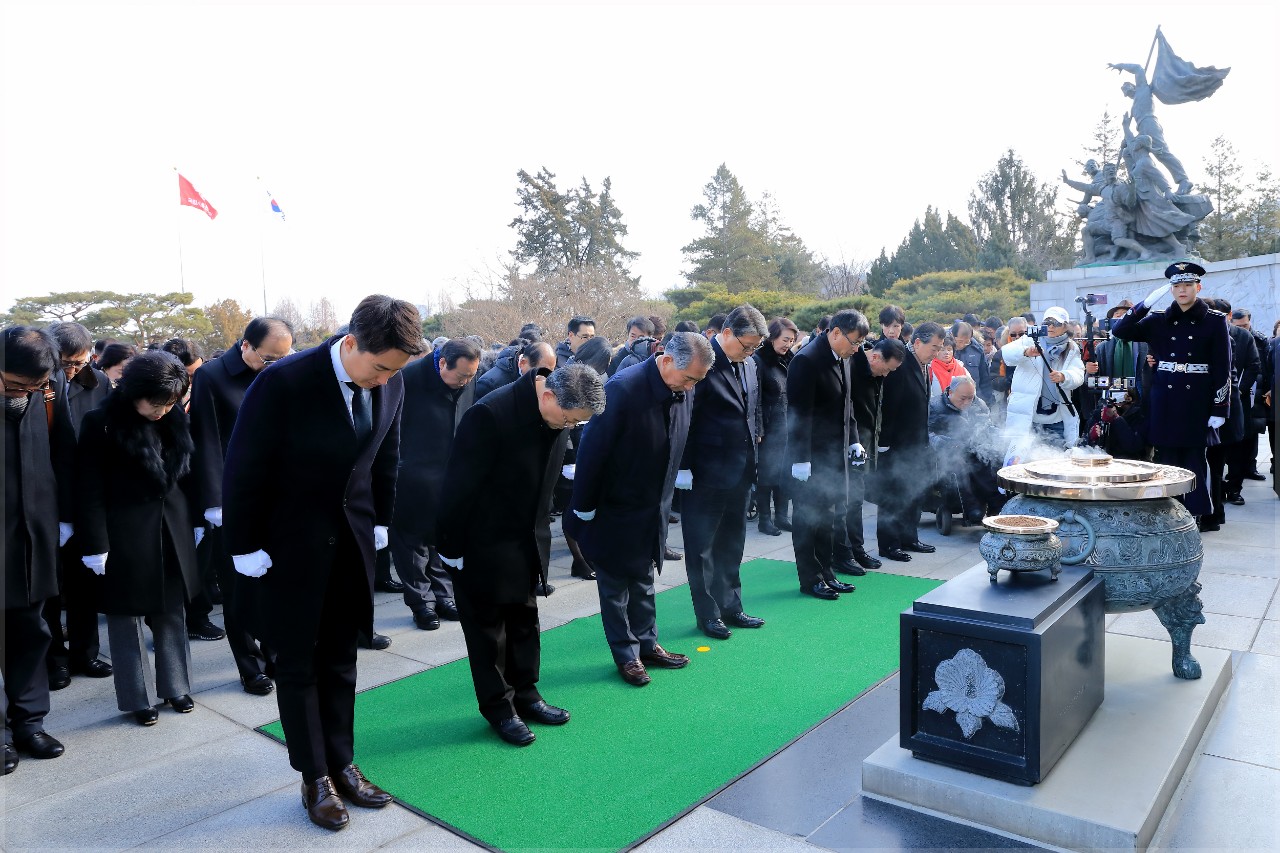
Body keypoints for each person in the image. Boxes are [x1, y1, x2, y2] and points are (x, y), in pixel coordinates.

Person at [222, 295, 424, 831]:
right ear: (351, 343)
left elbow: (388, 453)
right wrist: (244, 545)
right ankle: (314, 777)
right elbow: (244, 465)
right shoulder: (283, 381)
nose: (385, 380)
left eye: (395, 371)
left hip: (352, 539)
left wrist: (382, 517)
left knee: (340, 657)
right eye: (379, 368)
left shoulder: (391, 381)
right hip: (288, 545)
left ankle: (343, 762)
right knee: (297, 662)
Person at [436, 364, 605, 746]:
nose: (570, 428)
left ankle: (527, 694)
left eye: (577, 423)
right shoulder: (490, 414)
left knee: (525, 620)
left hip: (527, 537)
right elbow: (457, 487)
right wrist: (450, 547)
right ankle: (499, 707)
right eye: (570, 420)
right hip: (481, 542)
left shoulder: (556, 415)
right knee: (488, 632)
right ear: (549, 396)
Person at [566, 332, 712, 686]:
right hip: (616, 507)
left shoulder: (683, 388)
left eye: (696, 381)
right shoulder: (623, 389)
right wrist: (583, 507)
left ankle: (647, 644)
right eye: (688, 379)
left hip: (653, 505)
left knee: (644, 578)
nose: (690, 388)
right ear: (666, 360)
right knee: (615, 586)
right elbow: (592, 451)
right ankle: (626, 655)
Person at [76, 351, 202, 727]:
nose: (163, 410)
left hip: (171, 526)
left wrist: (196, 520)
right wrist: (95, 543)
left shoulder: (174, 416)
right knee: (125, 617)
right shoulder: (101, 422)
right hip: (124, 531)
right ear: (134, 392)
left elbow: (187, 476)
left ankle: (176, 686)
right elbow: (88, 486)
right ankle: (137, 697)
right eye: (157, 402)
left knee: (172, 612)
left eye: (171, 402)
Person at [188, 317, 295, 695]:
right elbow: (206, 440)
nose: (273, 365)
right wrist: (215, 502)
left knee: (276, 583)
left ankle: (277, 653)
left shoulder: (280, 372)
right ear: (246, 345)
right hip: (234, 499)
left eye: (282, 358)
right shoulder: (212, 375)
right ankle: (250, 666)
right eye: (267, 358)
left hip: (277, 496)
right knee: (238, 588)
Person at [1110, 263, 1231, 529]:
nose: (1182, 290)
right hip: (1164, 398)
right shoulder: (1158, 319)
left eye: (1187, 285)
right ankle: (1167, 513)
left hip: (1196, 400)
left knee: (1194, 460)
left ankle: (1196, 514)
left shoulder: (1214, 320)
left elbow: (1223, 367)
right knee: (1166, 460)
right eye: (1176, 286)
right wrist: (1144, 305)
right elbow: (1120, 331)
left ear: (1198, 287)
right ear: (1171, 289)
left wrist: (1219, 408)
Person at [3, 326, 74, 775]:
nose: (24, 394)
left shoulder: (49, 388)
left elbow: (64, 449)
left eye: (35, 387)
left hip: (34, 528)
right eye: (15, 385)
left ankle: (30, 723)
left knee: (33, 630)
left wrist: (64, 517)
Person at [678, 305, 767, 641]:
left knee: (732, 541)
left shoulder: (750, 363)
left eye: (756, 347)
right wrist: (683, 467)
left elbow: (753, 410)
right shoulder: (702, 360)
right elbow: (685, 419)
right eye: (746, 345)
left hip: (740, 469)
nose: (750, 352)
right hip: (705, 471)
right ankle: (708, 614)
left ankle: (731, 605)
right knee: (702, 546)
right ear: (726, 333)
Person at [40, 322, 113, 690]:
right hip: (46, 496)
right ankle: (54, 660)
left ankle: (86, 652)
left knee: (85, 582)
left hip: (87, 495)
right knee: (50, 586)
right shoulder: (37, 383)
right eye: (65, 363)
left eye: (79, 363)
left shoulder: (100, 383)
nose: (71, 370)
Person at [390, 337, 480, 631]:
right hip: (412, 477)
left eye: (471, 375)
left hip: (450, 474)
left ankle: (444, 596)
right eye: (462, 375)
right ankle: (421, 604)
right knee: (411, 543)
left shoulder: (466, 379)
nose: (466, 382)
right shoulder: (407, 380)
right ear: (442, 363)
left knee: (442, 538)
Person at [786, 310, 870, 598]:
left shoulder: (843, 357)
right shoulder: (807, 361)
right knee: (808, 519)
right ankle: (810, 579)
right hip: (810, 458)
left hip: (835, 455)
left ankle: (827, 573)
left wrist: (854, 440)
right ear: (836, 333)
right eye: (855, 341)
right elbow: (798, 415)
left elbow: (847, 404)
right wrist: (800, 459)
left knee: (829, 518)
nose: (857, 349)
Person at [877, 322, 945, 563]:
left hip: (918, 443)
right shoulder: (901, 365)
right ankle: (889, 544)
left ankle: (909, 537)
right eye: (934, 347)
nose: (936, 353)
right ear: (917, 342)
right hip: (897, 445)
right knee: (894, 496)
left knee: (914, 494)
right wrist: (884, 445)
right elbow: (889, 408)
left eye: (939, 348)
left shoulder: (924, 365)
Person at [840, 336, 908, 573]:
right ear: (876, 357)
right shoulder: (852, 366)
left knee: (856, 501)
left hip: (866, 446)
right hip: (849, 446)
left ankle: (856, 550)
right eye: (887, 369)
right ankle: (846, 553)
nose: (887, 375)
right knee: (848, 503)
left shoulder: (876, 372)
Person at [1001, 307, 1085, 453]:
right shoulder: (1029, 339)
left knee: (1056, 460)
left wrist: (1064, 376)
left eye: (1056, 323)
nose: (1051, 326)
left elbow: (1078, 374)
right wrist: (1025, 352)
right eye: (1047, 322)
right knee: (1025, 460)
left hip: (1057, 418)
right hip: (1028, 417)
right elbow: (1007, 353)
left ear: (1065, 326)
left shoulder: (1072, 347)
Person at [1109, 61, 1192, 193]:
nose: (1127, 93)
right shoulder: (1134, 105)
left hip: (1149, 123)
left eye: (1127, 88)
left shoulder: (1143, 88)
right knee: (1128, 152)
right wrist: (1128, 138)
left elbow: (1138, 68)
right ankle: (1139, 185)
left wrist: (1120, 66)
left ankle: (1183, 180)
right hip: (1142, 128)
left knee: (1161, 152)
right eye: (1125, 92)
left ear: (1133, 86)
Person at [754, 317, 798, 535]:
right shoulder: (759, 360)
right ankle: (764, 519)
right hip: (769, 428)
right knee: (767, 475)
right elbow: (756, 399)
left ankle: (781, 516)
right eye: (784, 339)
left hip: (788, 426)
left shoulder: (791, 359)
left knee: (785, 474)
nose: (788, 344)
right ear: (772, 337)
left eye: (791, 340)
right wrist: (759, 429)